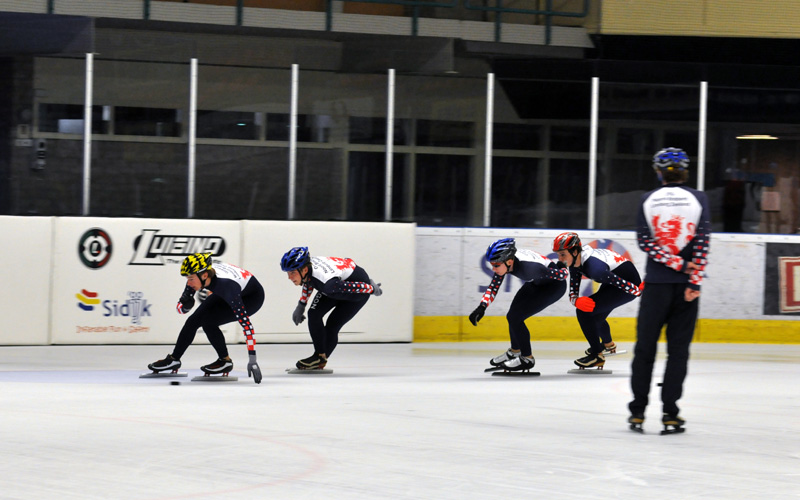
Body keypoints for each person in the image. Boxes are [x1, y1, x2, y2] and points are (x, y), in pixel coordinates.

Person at [628, 147, 710, 433]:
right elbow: (702, 243)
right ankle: (670, 413)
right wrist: (693, 278)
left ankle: (637, 412)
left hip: (656, 287)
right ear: (685, 171)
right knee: (678, 353)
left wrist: (676, 263)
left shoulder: (646, 199)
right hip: (685, 291)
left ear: (659, 172)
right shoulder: (699, 199)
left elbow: (645, 242)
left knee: (644, 350)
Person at [147, 253, 264, 383]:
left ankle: (224, 361)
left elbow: (246, 325)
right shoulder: (197, 276)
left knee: (209, 322)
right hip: (228, 289)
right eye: (187, 278)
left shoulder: (227, 287)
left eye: (191, 279)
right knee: (193, 320)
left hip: (252, 298)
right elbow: (180, 309)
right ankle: (174, 360)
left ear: (204, 275)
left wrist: (252, 360)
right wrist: (185, 305)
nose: (188, 283)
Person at [468, 238, 568, 371]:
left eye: (496, 265)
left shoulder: (531, 268)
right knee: (512, 316)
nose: (493, 268)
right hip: (536, 282)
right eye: (492, 264)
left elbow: (563, 275)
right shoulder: (507, 262)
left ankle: (527, 358)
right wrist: (482, 307)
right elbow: (493, 287)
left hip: (553, 287)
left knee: (515, 317)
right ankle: (515, 352)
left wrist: (562, 265)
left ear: (509, 262)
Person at [281, 247, 382, 370]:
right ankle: (319, 357)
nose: (289, 277)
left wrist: (371, 288)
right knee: (313, 313)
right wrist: (301, 305)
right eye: (288, 273)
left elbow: (352, 287)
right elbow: (308, 281)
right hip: (338, 284)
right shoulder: (308, 269)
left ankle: (320, 358)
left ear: (305, 269)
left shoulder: (327, 283)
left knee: (332, 325)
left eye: (292, 273)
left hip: (356, 291)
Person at [553, 232, 642, 369]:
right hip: (614, 279)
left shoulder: (595, 268)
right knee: (595, 316)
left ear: (575, 251)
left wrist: (637, 290)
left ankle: (596, 355)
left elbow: (626, 286)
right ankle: (607, 344)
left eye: (562, 254)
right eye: (558, 254)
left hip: (626, 284)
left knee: (584, 313)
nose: (560, 259)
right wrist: (575, 300)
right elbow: (573, 291)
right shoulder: (575, 261)